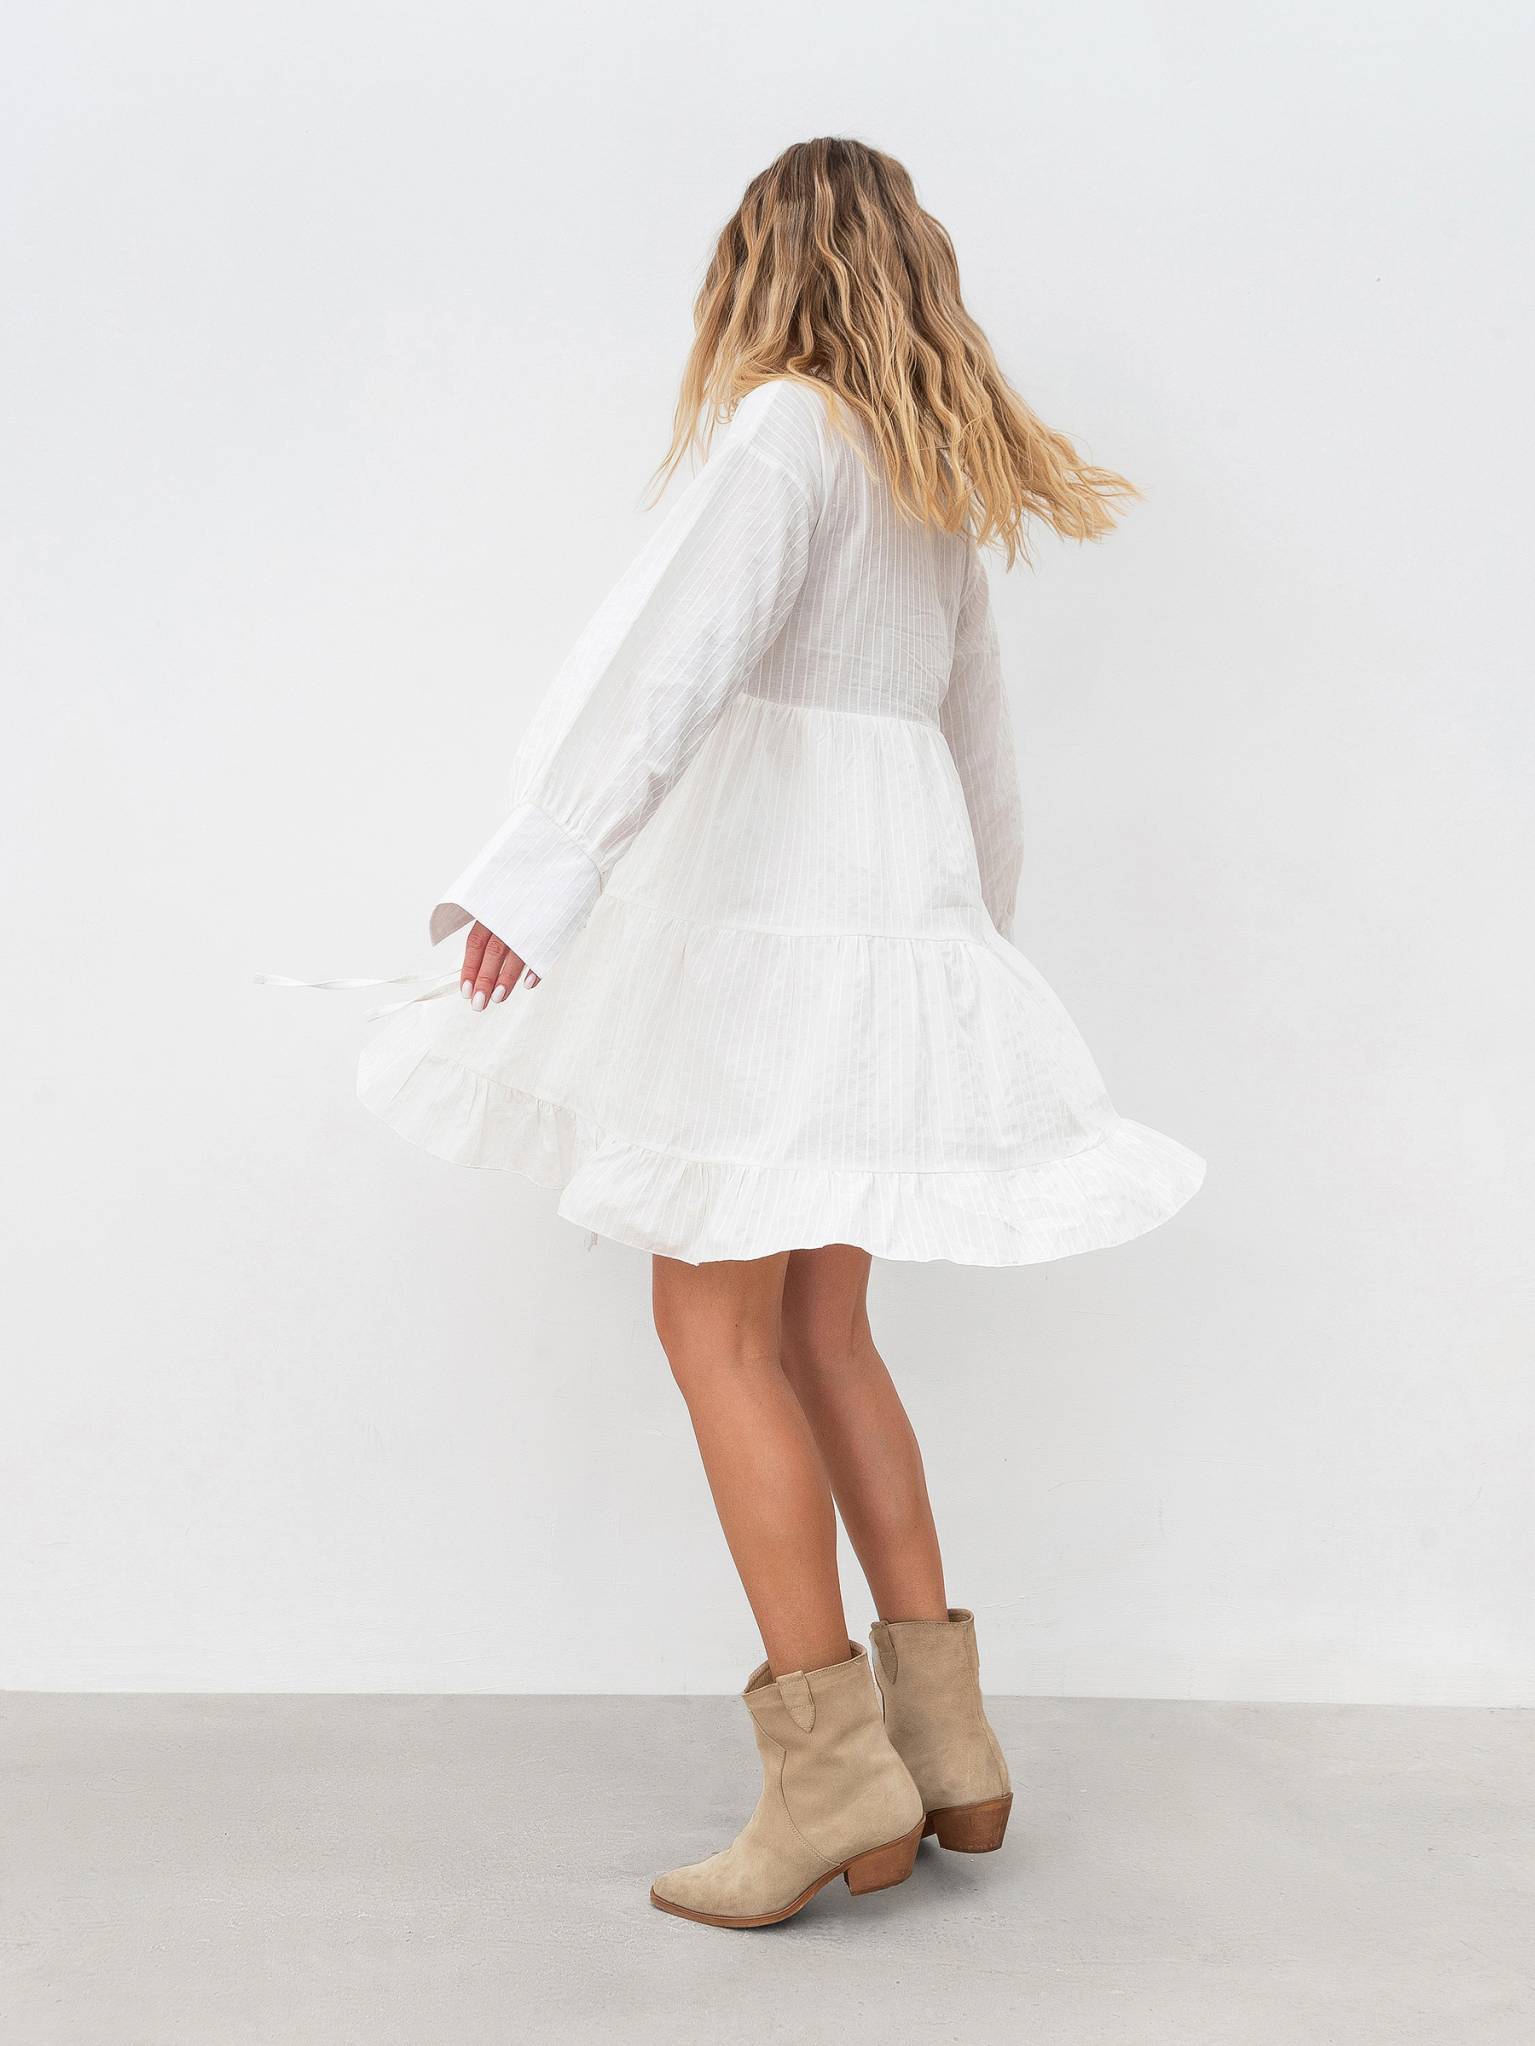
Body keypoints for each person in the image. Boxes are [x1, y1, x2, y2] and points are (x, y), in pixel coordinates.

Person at [357, 136, 1205, 1928]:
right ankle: (946, 1751)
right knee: (827, 1327)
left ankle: (829, 1785)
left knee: (714, 1322)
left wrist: (541, 877)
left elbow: (663, 671)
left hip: (767, 937)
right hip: (881, 938)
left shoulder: (787, 433)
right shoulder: (922, 468)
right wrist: (962, 950)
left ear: (761, 268)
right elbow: (981, 745)